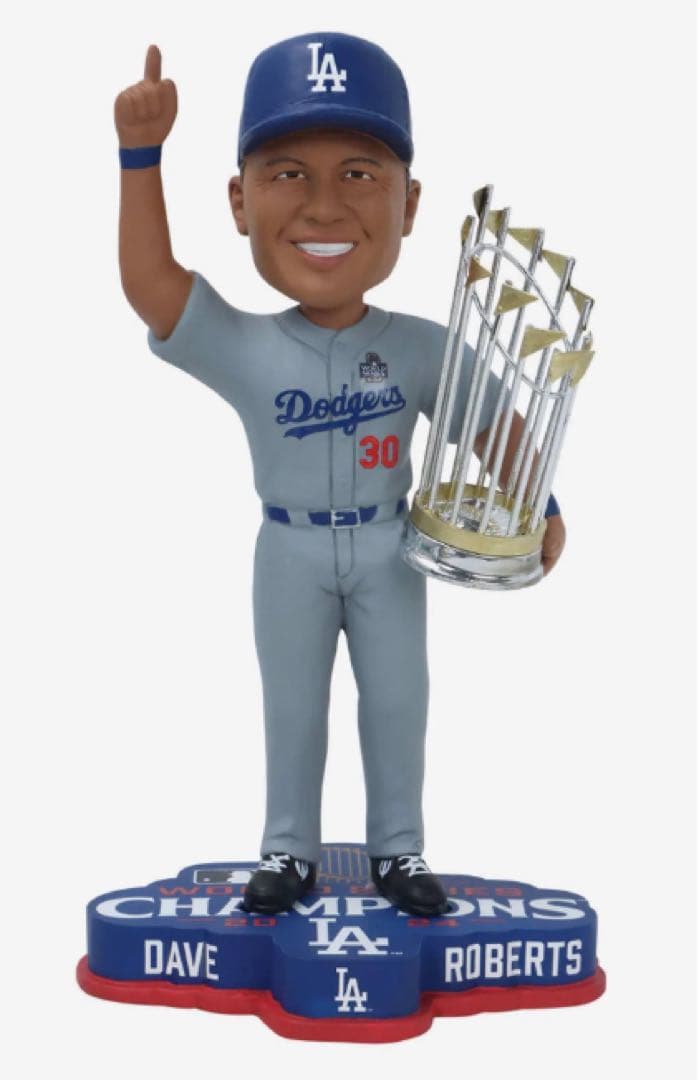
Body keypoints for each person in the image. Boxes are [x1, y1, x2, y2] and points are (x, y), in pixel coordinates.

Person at [114, 32, 566, 918]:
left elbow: (491, 423)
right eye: (289, 175)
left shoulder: (420, 346)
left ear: (409, 204)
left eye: (359, 174)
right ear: (240, 201)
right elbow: (151, 284)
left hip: (391, 544)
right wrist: (140, 157)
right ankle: (289, 848)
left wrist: (539, 504)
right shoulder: (245, 345)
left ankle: (399, 849)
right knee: (293, 704)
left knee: (398, 700)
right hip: (288, 548)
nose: (324, 207)